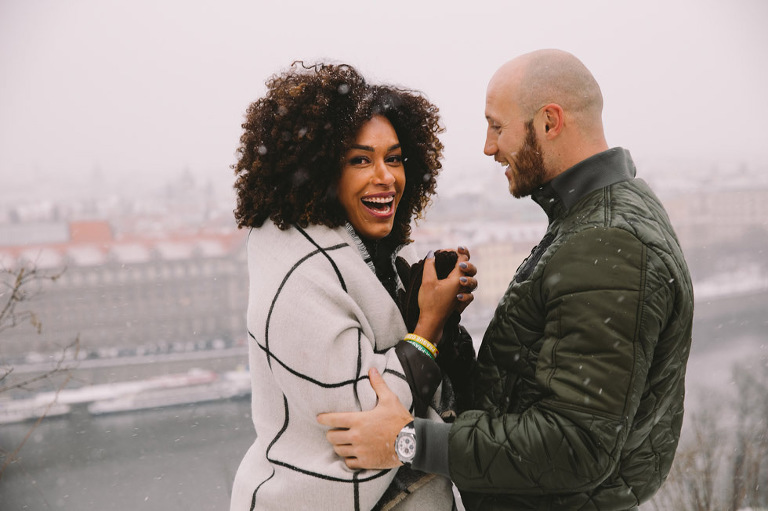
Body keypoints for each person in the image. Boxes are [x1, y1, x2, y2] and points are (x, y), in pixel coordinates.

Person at [318, 49, 694, 510]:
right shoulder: (596, 218)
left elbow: (575, 446)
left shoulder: (606, 240)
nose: (488, 146)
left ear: (549, 122)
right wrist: (441, 323)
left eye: (497, 126)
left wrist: (409, 442)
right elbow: (523, 397)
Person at [228, 62, 477, 510]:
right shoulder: (302, 271)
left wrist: (423, 303)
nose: (386, 176)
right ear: (322, 171)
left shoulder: (353, 256)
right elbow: (373, 425)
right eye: (360, 159)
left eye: (395, 158)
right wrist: (428, 326)